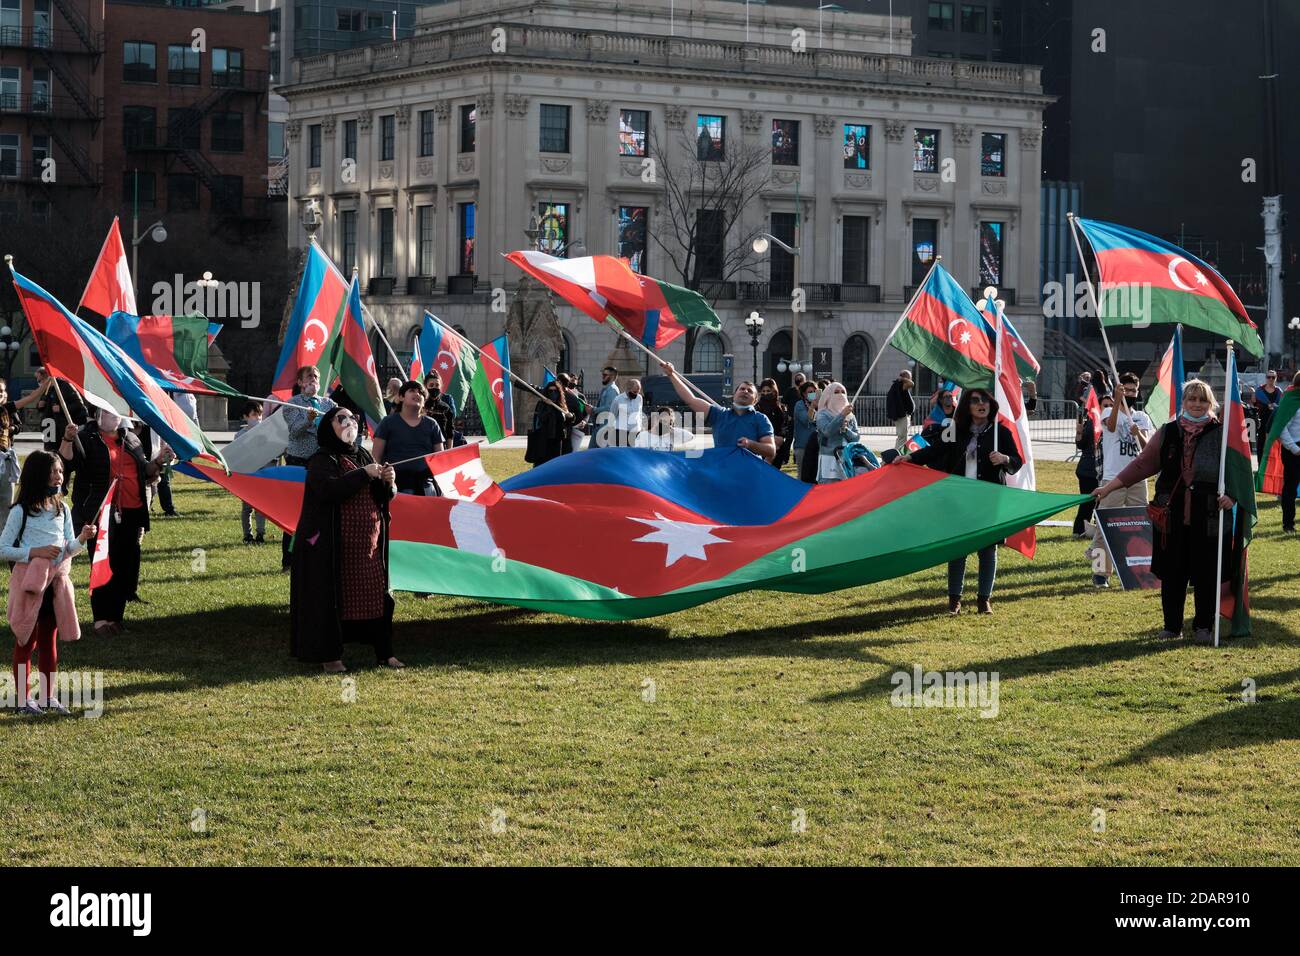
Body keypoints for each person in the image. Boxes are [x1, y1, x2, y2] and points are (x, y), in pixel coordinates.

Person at [1091, 379, 1236, 644]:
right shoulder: (1168, 432)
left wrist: (1233, 496)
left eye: (1202, 400)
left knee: (1206, 574)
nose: (1196, 404)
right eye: (1191, 399)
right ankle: (1172, 627)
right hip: (1171, 517)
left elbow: (1237, 470)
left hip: (1210, 515)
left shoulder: (1221, 432)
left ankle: (1203, 626)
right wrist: (1108, 488)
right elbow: (1141, 465)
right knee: (1173, 573)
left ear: (1210, 403)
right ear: (1184, 402)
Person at [290, 408, 403, 673]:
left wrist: (389, 482)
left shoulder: (363, 455)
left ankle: (384, 653)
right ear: (329, 426)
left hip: (368, 546)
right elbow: (330, 490)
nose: (349, 422)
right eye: (342, 418)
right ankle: (331, 656)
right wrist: (365, 474)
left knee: (376, 595)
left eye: (352, 418)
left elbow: (382, 496)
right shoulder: (321, 459)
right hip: (334, 547)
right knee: (334, 599)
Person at [899, 387, 1022, 615]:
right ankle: (954, 600)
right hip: (959, 499)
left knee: (987, 550)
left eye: (985, 400)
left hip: (989, 498)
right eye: (975, 400)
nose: (981, 404)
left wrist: (1004, 459)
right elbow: (935, 450)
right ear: (967, 406)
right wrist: (909, 458)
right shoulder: (955, 430)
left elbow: (1017, 461)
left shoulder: (1000, 432)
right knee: (958, 550)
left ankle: (984, 600)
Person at [2, 452, 96, 714]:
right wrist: (35, 552)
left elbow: (66, 548)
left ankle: (47, 696)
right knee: (25, 642)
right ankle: (22, 699)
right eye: (54, 471)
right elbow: (3, 548)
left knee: (48, 641)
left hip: (55, 587)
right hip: (29, 587)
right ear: (38, 474)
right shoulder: (20, 511)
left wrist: (81, 539)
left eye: (61, 472)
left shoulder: (61, 508)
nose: (59, 476)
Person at [59, 409, 168, 635]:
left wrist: (158, 461)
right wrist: (68, 438)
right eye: (107, 412)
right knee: (102, 565)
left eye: (116, 411)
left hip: (132, 512)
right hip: (100, 513)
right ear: (97, 413)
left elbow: (144, 471)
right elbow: (66, 463)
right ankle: (101, 620)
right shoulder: (85, 437)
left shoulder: (131, 438)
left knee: (124, 566)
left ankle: (116, 618)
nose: (113, 416)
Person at [1089, 372, 1154, 588]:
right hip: (1112, 478)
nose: (1130, 394)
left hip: (1137, 478)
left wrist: (1139, 434)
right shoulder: (1109, 410)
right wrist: (1117, 400)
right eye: (1126, 391)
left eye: (1133, 391)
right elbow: (1110, 426)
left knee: (1141, 523)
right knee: (1103, 526)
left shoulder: (1142, 417)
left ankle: (1139, 568)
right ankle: (1100, 573)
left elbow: (1148, 450)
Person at [658, 360, 775, 462]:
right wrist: (671, 375)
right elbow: (690, 400)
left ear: (755, 400)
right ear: (734, 395)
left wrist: (750, 444)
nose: (745, 391)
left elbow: (771, 450)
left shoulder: (760, 419)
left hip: (750, 475)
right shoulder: (719, 414)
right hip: (721, 473)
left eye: (750, 391)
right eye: (742, 389)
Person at [280, 365, 336, 571]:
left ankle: (317, 556)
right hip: (299, 463)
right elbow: (295, 432)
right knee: (295, 513)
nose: (313, 379)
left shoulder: (329, 404)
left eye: (316, 376)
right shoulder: (292, 404)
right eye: (309, 376)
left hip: (321, 464)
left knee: (321, 512)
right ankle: (289, 560)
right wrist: (308, 419)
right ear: (301, 383)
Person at [373, 381, 445, 495]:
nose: (417, 394)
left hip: (426, 488)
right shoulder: (387, 422)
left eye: (421, 393)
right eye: (412, 391)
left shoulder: (432, 424)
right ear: (401, 397)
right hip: (396, 488)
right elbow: (376, 457)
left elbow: (440, 458)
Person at [0, 377, 42, 513]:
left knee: (7, 502)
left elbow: (31, 397)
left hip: (6, 460)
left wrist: (49, 380)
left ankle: (4, 533)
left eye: (2, 391)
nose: (0, 393)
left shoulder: (7, 408)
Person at [237, 402, 275, 543]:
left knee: (260, 507)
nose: (258, 418)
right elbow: (237, 455)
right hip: (247, 476)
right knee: (247, 508)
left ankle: (260, 533)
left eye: (259, 415)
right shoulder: (240, 435)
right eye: (254, 415)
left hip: (261, 476)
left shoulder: (266, 434)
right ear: (245, 417)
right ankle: (247, 534)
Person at [33, 367, 87, 455]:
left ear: (48, 377)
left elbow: (79, 406)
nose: (39, 383)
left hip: (62, 430)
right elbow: (44, 407)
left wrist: (61, 408)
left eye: (40, 380)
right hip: (49, 430)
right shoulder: (46, 388)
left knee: (62, 454)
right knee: (50, 455)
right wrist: (39, 405)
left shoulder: (65, 386)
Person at [814, 382, 860, 483]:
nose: (840, 394)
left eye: (843, 392)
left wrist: (845, 430)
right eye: (836, 392)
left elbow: (856, 438)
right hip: (829, 458)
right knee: (828, 491)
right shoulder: (822, 414)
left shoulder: (850, 415)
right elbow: (827, 431)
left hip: (846, 458)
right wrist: (841, 416)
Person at [1273, 370, 1300, 532]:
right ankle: (1288, 523)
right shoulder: (1289, 400)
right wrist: (1295, 448)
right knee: (1290, 488)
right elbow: (1281, 428)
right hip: (1293, 450)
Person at [525, 381, 571, 468]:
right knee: (542, 463)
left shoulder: (561, 405)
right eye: (550, 391)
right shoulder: (542, 404)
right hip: (544, 439)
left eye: (555, 391)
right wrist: (549, 406)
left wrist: (571, 416)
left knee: (555, 464)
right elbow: (542, 418)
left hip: (557, 439)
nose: (553, 393)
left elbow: (565, 422)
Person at [1073, 398, 1100, 537]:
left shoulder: (1111, 423)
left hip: (1105, 470)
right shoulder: (1090, 422)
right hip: (1087, 470)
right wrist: (1079, 433)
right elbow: (1080, 444)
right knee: (1087, 502)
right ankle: (1079, 530)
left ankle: (1100, 529)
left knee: (1103, 503)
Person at [757, 378, 787, 469]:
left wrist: (781, 438)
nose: (765, 393)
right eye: (763, 391)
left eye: (768, 391)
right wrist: (770, 439)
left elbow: (784, 425)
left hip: (778, 445)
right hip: (762, 444)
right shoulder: (757, 407)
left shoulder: (780, 408)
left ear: (774, 391)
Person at [791, 380, 818, 473]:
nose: (813, 394)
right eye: (810, 392)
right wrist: (812, 407)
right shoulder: (799, 405)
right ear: (804, 394)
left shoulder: (821, 405)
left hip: (818, 445)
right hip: (803, 446)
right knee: (803, 474)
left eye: (815, 391)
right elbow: (806, 420)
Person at [590, 366, 620, 449]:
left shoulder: (612, 390)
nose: (602, 377)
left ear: (613, 377)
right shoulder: (607, 389)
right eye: (602, 374)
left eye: (605, 375)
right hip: (600, 426)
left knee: (595, 454)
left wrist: (593, 409)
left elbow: (609, 408)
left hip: (605, 427)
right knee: (593, 453)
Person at [886, 369, 915, 453]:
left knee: (901, 436)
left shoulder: (898, 385)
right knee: (902, 437)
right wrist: (904, 379)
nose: (910, 379)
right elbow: (911, 384)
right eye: (909, 377)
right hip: (902, 415)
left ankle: (898, 453)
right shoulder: (900, 384)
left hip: (901, 415)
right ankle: (898, 454)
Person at [610, 378, 644, 448]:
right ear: (628, 389)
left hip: (635, 432)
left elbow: (640, 414)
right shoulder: (618, 399)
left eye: (638, 392)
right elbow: (612, 416)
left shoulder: (639, 398)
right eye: (634, 392)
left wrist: (641, 428)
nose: (636, 394)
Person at [1255, 369, 1281, 435]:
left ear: (1276, 378)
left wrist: (1275, 406)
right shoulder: (1259, 390)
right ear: (1266, 378)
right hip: (1261, 419)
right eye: (1269, 377)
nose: (1271, 379)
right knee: (1261, 440)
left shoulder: (1279, 391)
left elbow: (1282, 406)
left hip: (1274, 420)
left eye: (1273, 377)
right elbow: (1254, 404)